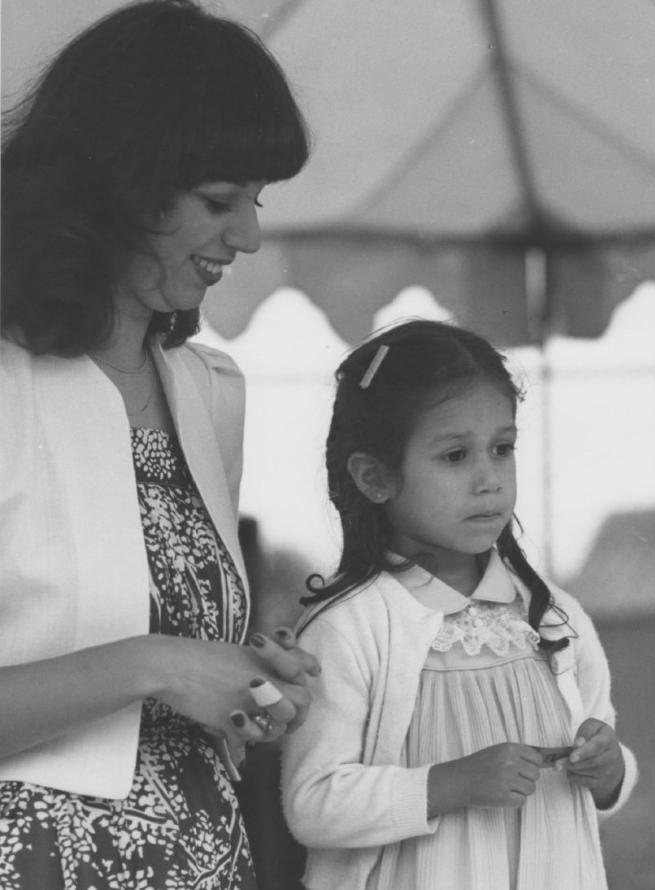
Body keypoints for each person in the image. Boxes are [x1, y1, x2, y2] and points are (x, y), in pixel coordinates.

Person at [0, 2, 318, 888]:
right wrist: (159, 665)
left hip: (206, 856)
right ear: (116, 188)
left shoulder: (209, 392)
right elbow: (151, 662)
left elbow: (181, 676)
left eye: (255, 201)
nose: (248, 236)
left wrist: (246, 683)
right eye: (219, 201)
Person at [281, 320, 638, 890]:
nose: (489, 479)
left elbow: (605, 758)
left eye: (502, 449)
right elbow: (313, 803)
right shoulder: (352, 628)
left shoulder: (555, 617)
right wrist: (448, 784)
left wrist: (610, 769)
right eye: (454, 455)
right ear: (375, 477)